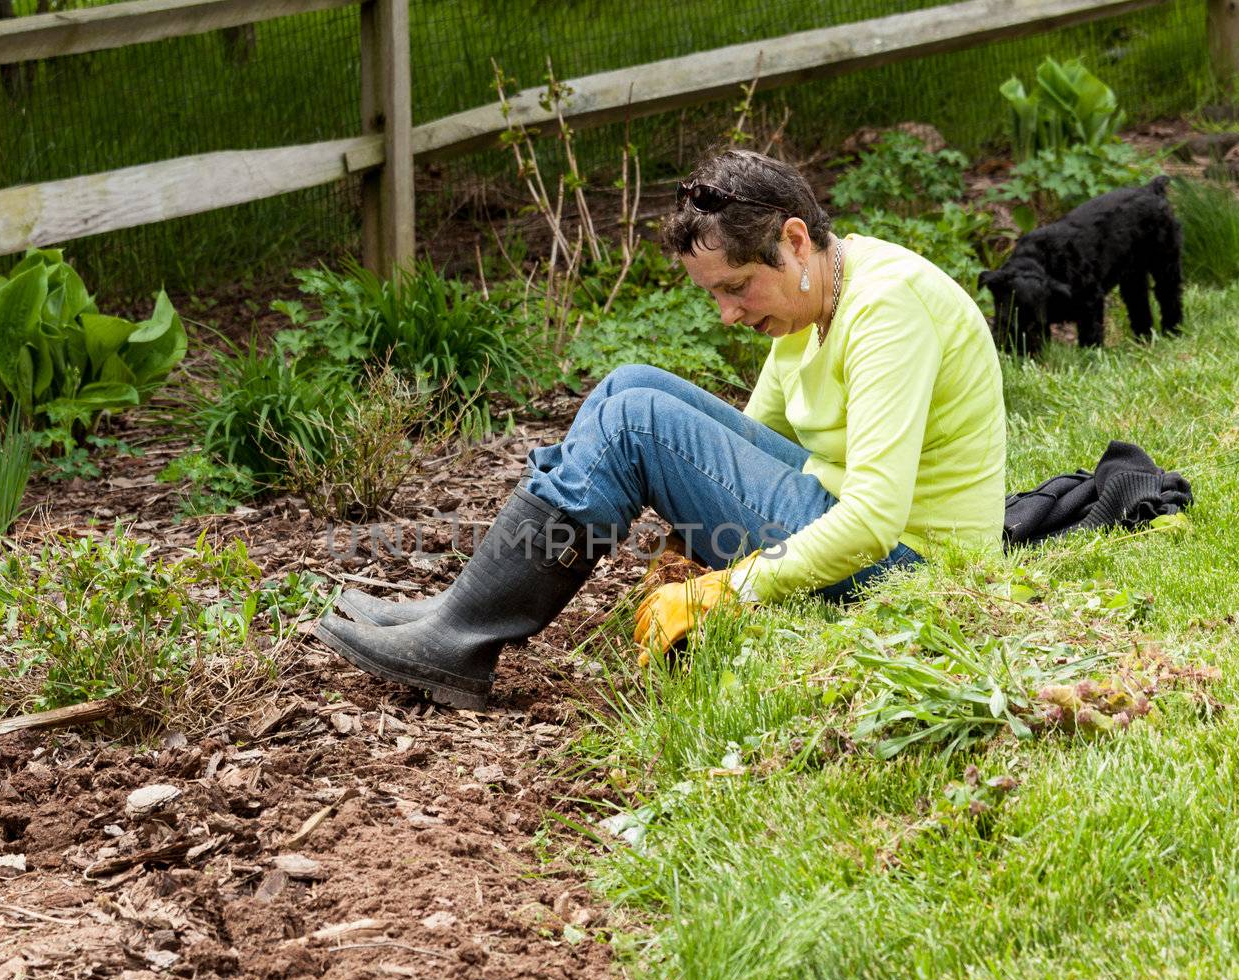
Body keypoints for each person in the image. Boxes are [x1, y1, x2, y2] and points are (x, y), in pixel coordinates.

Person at [315, 148, 1006, 709]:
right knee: (631, 385)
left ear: (794, 240)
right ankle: (464, 610)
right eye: (714, 295)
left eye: (736, 287)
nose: (728, 315)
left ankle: (462, 638)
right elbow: (745, 440)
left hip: (907, 568)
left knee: (638, 422)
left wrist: (722, 589)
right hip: (843, 517)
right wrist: (688, 534)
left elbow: (875, 520)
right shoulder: (814, 296)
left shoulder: (886, 310)